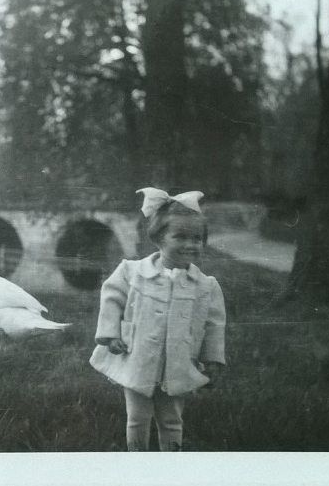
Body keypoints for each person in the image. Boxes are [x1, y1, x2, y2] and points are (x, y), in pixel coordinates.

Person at [89, 187, 227, 451]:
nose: (190, 244)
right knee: (137, 417)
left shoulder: (205, 286)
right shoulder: (133, 272)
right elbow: (112, 296)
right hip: (138, 357)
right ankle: (138, 460)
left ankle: (170, 462)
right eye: (180, 237)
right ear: (159, 239)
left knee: (172, 418)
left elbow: (214, 325)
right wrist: (111, 334)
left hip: (177, 363)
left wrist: (213, 360)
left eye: (197, 238)